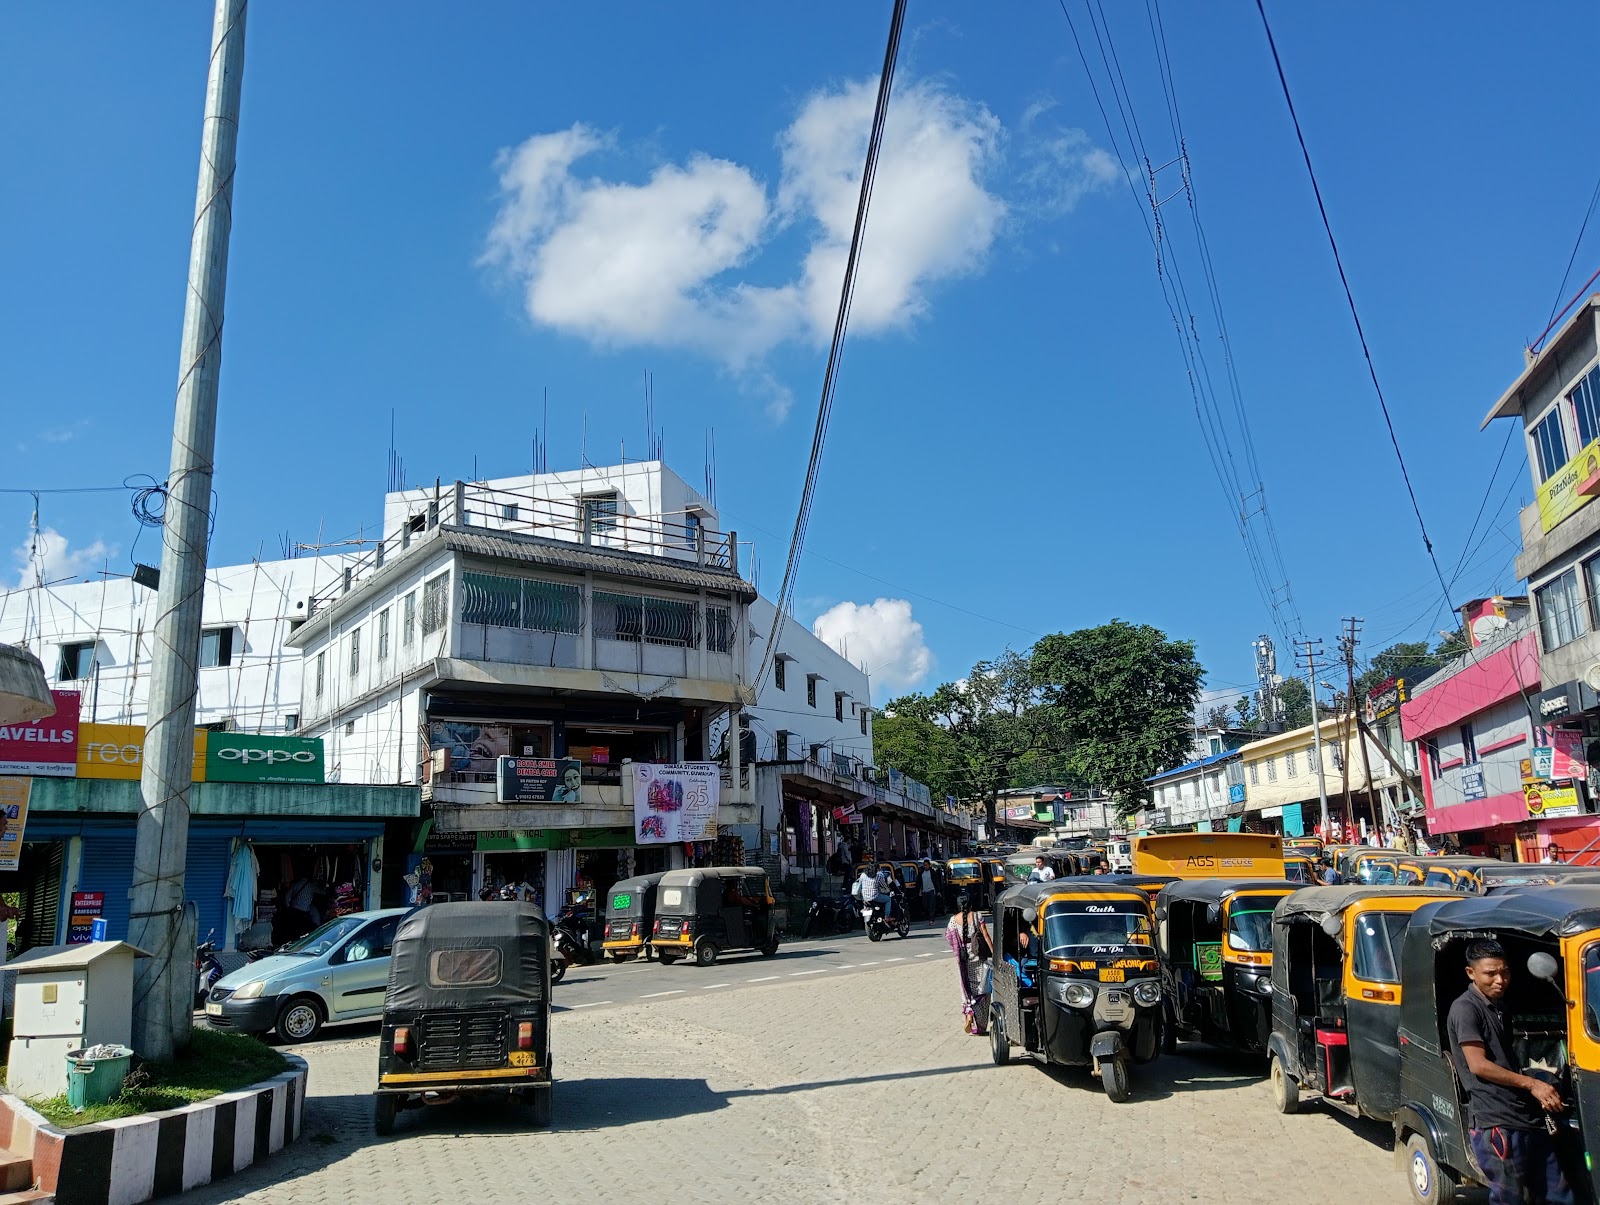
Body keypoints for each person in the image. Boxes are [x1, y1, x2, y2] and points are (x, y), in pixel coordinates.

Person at [1447, 939, 1573, 1205]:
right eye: (1490, 973)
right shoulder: (1465, 1009)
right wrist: (1531, 1084)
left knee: (1557, 1192)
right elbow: (1478, 1064)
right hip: (1496, 1120)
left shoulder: (1500, 1007)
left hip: (1524, 1116)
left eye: (1504, 972)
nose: (1500, 980)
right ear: (1471, 973)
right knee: (1510, 1198)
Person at [946, 894, 992, 1035]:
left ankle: (969, 1013)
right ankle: (981, 1026)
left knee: (967, 988)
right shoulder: (978, 916)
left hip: (964, 959)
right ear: (971, 904)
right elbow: (985, 935)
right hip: (979, 957)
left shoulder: (953, 921)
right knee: (982, 989)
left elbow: (949, 937)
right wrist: (994, 952)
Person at [919, 860, 939, 925]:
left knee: (931, 905)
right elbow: (919, 882)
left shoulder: (933, 872)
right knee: (925, 905)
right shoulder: (921, 873)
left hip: (931, 890)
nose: (925, 866)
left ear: (929, 865)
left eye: (926, 865)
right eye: (924, 865)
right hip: (924, 891)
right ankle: (929, 917)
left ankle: (931, 920)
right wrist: (920, 890)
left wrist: (938, 891)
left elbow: (936, 882)